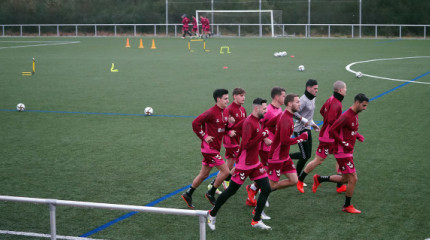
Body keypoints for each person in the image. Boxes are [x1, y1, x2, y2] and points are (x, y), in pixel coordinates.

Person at [207, 98, 272, 231]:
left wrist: (261, 135)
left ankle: (256, 219)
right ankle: (211, 214)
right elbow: (247, 145)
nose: (266, 110)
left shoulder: (257, 121)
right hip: (245, 164)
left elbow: (237, 129)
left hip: (255, 163)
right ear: (256, 108)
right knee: (231, 191)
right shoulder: (249, 123)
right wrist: (262, 136)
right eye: (264, 108)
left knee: (266, 188)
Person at [312, 93, 369, 214]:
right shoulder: (347, 116)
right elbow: (332, 130)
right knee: (353, 178)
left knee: (345, 178)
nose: (365, 108)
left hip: (347, 151)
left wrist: (357, 136)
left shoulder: (355, 114)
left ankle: (319, 179)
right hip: (343, 152)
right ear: (357, 103)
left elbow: (349, 130)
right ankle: (347, 206)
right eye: (363, 106)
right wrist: (343, 143)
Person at [181, 89, 231, 208]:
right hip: (209, 149)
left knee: (203, 174)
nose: (228, 101)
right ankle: (211, 192)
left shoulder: (226, 112)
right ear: (218, 99)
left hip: (215, 148)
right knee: (226, 171)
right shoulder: (210, 112)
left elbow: (224, 128)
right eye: (225, 98)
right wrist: (204, 136)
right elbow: (195, 123)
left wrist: (230, 129)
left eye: (228, 98)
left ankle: (188, 194)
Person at [297, 81, 347, 193]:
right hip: (329, 137)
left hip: (328, 135)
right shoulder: (336, 103)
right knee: (319, 160)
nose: (346, 91)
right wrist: (341, 124)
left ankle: (339, 185)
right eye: (345, 89)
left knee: (340, 157)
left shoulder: (331, 99)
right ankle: (300, 180)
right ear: (340, 90)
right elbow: (331, 121)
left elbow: (322, 111)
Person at [246, 87, 285, 207]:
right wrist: (265, 138)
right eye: (283, 96)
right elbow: (258, 125)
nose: (285, 98)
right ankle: (261, 194)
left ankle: (252, 188)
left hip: (275, 147)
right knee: (269, 172)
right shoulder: (268, 111)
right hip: (266, 147)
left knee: (270, 171)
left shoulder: (279, 109)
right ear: (277, 97)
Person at [267, 94, 309, 192]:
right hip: (277, 157)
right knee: (271, 186)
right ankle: (256, 192)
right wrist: (301, 138)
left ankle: (261, 188)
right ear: (290, 104)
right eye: (297, 102)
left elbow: (269, 125)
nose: (300, 104)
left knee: (294, 180)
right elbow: (285, 141)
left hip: (285, 156)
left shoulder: (285, 115)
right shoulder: (286, 120)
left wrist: (277, 133)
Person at [207, 88, 247, 192]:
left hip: (237, 141)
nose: (244, 98)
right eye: (241, 95)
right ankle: (227, 179)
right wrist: (228, 132)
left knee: (228, 165)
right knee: (243, 159)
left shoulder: (242, 109)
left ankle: (213, 184)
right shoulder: (228, 109)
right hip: (230, 142)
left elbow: (244, 127)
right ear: (235, 96)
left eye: (244, 95)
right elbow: (222, 125)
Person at [290, 79, 320, 177]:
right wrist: (303, 120)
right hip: (299, 130)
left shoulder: (313, 98)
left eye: (317, 88)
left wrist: (313, 124)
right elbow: (293, 112)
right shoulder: (302, 100)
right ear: (308, 88)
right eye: (315, 88)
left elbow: (308, 115)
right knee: (304, 155)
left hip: (307, 129)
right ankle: (296, 176)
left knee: (307, 155)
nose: (317, 90)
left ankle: (285, 157)